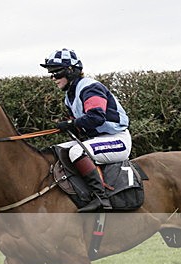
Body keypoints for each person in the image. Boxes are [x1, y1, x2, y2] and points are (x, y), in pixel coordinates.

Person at [40, 48, 131, 212]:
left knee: (76, 152)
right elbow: (81, 124)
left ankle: (100, 198)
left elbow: (97, 117)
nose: (53, 78)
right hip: (97, 140)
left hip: (117, 139)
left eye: (56, 73)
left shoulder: (90, 88)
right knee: (57, 150)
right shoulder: (69, 96)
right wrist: (70, 125)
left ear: (71, 71)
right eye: (51, 74)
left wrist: (69, 124)